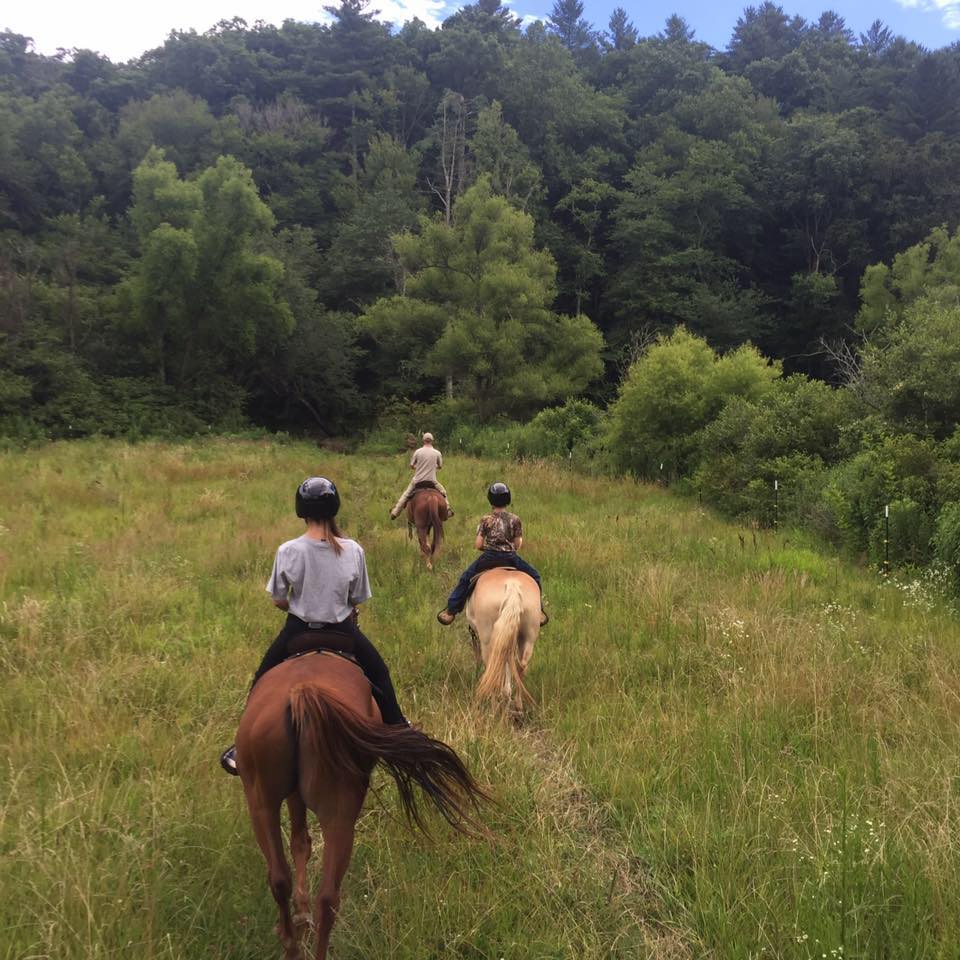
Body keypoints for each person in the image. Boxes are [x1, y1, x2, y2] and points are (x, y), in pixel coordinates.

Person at [220, 477, 411, 775]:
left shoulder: (288, 550)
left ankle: (241, 748)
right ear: (334, 509)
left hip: (298, 630)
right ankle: (399, 727)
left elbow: (279, 601)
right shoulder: (353, 550)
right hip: (343, 632)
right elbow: (357, 597)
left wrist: (299, 601)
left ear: (301, 510)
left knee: (262, 677)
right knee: (379, 672)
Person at [436, 482, 548, 626]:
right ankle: (539, 611)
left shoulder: (486, 520)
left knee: (465, 578)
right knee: (535, 576)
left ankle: (450, 611)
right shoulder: (515, 519)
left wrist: (488, 548)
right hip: (510, 558)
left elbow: (478, 545)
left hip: (489, 558)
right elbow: (518, 543)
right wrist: (508, 548)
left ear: (490, 500)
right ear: (508, 499)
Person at [390, 432, 453, 519]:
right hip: (432, 481)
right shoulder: (437, 453)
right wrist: (433, 466)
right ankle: (448, 510)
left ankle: (395, 512)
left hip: (417, 481)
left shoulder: (418, 452)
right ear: (432, 441)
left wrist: (418, 467)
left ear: (423, 441)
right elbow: (440, 466)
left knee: (406, 495)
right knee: (443, 492)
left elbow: (411, 465)